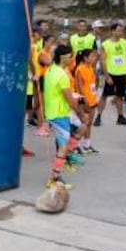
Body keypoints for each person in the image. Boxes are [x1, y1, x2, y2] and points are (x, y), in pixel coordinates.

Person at [43, 44, 82, 188]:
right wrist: (79, 111)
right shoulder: (61, 74)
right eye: (71, 56)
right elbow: (69, 98)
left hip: (56, 112)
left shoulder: (51, 70)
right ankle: (55, 178)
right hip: (59, 114)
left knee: (80, 128)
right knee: (63, 147)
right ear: (64, 57)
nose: (72, 58)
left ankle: (66, 159)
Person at [96, 21, 126, 126]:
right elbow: (102, 61)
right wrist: (107, 76)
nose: (121, 32)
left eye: (122, 31)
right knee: (105, 95)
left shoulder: (124, 42)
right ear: (112, 31)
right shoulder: (106, 44)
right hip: (111, 73)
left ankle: (120, 117)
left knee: (120, 95)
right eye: (119, 30)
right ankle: (98, 117)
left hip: (122, 73)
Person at [71, 48, 100, 154]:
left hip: (92, 99)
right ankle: (75, 146)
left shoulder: (90, 68)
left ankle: (87, 145)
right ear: (85, 58)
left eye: (95, 56)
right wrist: (84, 100)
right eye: (92, 56)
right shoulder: (80, 69)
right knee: (82, 123)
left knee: (89, 123)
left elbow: (92, 84)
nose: (94, 58)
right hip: (84, 101)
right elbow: (79, 87)